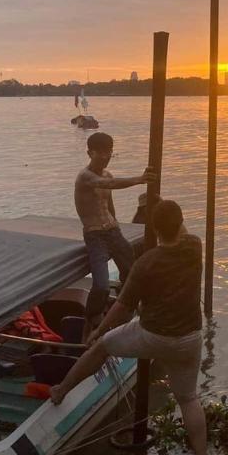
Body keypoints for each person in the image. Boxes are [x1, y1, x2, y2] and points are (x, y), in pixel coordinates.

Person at [50, 199, 211, 455]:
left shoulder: (144, 264)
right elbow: (178, 229)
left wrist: (99, 331)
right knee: (188, 399)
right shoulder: (194, 247)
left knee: (101, 348)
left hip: (153, 336)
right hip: (189, 338)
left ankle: (61, 390)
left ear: (154, 229)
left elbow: (122, 310)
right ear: (181, 223)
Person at [75, 131, 155, 333]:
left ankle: (124, 306)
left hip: (112, 230)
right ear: (89, 153)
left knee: (132, 268)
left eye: (108, 152)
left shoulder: (107, 174)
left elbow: (109, 206)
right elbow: (108, 184)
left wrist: (118, 229)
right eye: (100, 153)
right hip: (94, 234)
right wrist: (140, 179)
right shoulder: (85, 177)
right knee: (101, 284)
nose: (105, 156)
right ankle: (93, 317)